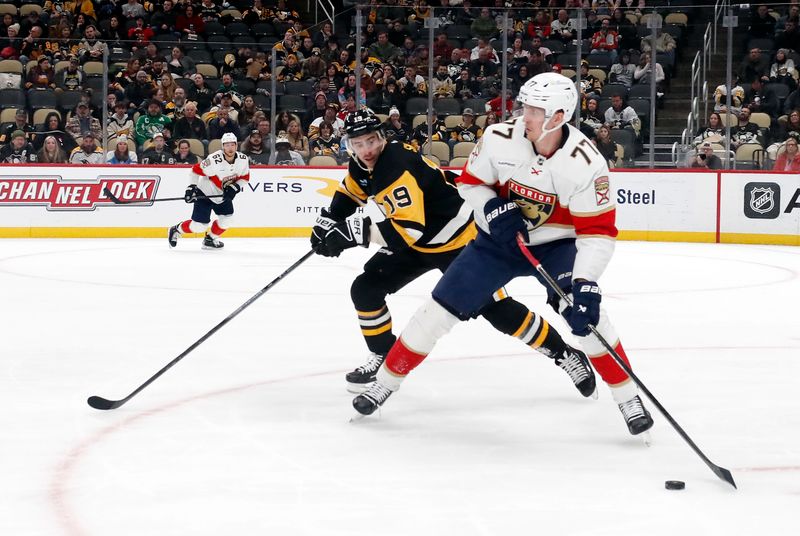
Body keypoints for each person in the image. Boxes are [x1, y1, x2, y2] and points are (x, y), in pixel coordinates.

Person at [350, 74, 655, 439]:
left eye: (533, 111)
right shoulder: (499, 138)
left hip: (559, 245)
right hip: (498, 243)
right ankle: (385, 383)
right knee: (437, 310)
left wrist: (586, 283)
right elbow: (469, 184)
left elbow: (597, 234)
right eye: (524, 107)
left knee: (585, 317)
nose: (523, 116)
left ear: (557, 117)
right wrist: (492, 205)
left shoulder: (587, 165)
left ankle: (627, 398)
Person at [311, 108, 596, 397]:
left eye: (371, 141)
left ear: (382, 137)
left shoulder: (395, 166)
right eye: (357, 144)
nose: (366, 150)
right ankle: (383, 355)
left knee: (498, 311)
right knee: (365, 288)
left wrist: (351, 235)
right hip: (419, 241)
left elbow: (408, 231)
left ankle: (564, 353)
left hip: (458, 240)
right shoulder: (363, 165)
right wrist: (328, 220)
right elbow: (350, 192)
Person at [168, 132, 250, 250]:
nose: (230, 148)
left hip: (222, 195)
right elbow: (195, 170)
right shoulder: (213, 160)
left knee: (228, 220)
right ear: (223, 146)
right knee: (199, 226)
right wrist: (191, 188)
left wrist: (234, 188)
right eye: (227, 145)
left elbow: (244, 178)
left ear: (236, 145)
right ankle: (176, 229)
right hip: (205, 193)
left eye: (232, 145)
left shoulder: (243, 160)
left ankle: (210, 239)